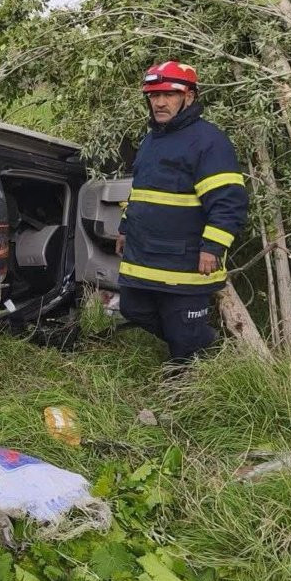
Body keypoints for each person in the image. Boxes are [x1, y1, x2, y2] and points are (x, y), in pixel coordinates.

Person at [116, 61, 248, 364]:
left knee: (184, 333)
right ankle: (202, 349)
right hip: (144, 259)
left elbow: (229, 201)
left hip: (186, 262)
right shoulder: (151, 139)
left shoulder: (209, 141)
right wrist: (125, 228)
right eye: (153, 95)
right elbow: (143, 192)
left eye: (169, 94)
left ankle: (189, 379)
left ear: (189, 96)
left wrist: (213, 247)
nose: (159, 102)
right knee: (132, 309)